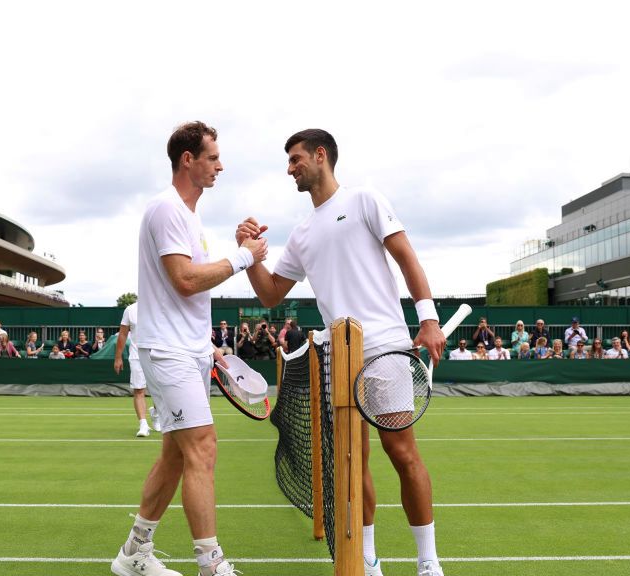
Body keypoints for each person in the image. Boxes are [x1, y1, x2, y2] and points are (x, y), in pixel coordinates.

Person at [235, 128, 446, 576]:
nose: (290, 168)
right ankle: (366, 559)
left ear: (320, 155)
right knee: (353, 460)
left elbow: (407, 256)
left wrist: (428, 320)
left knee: (403, 454)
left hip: (386, 349)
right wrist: (249, 257)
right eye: (288, 162)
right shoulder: (301, 233)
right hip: (338, 357)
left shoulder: (365, 199)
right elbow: (272, 294)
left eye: (295, 159)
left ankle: (428, 561)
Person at [111, 121, 267, 576]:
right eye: (213, 157)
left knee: (176, 455)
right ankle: (211, 564)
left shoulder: (189, 217)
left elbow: (193, 292)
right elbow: (184, 281)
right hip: (168, 353)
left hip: (191, 351)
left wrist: (212, 348)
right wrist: (243, 257)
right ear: (188, 160)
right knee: (203, 446)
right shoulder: (165, 210)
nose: (220, 165)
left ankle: (134, 552)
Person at [115, 301, 158, 437]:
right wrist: (118, 357)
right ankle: (143, 424)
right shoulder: (130, 309)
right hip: (137, 355)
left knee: (161, 391)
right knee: (139, 390)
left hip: (160, 355)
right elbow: (122, 334)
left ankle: (156, 413)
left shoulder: (163, 306)